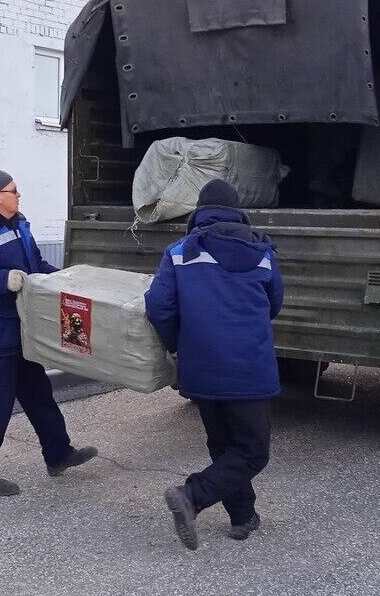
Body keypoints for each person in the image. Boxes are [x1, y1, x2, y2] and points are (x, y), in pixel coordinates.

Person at [144, 179, 283, 549]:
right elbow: (274, 303)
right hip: (250, 368)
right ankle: (193, 495)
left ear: (198, 212)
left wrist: (179, 343)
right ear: (238, 211)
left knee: (224, 447)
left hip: (201, 368)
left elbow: (158, 306)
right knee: (252, 452)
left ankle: (243, 516)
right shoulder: (262, 252)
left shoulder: (179, 252)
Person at [0, 166, 98, 496]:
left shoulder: (19, 224)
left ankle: (58, 454)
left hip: (23, 328)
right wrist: (3, 280)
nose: (19, 195)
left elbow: (35, 267)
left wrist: (63, 280)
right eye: (14, 190)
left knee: (38, 393)